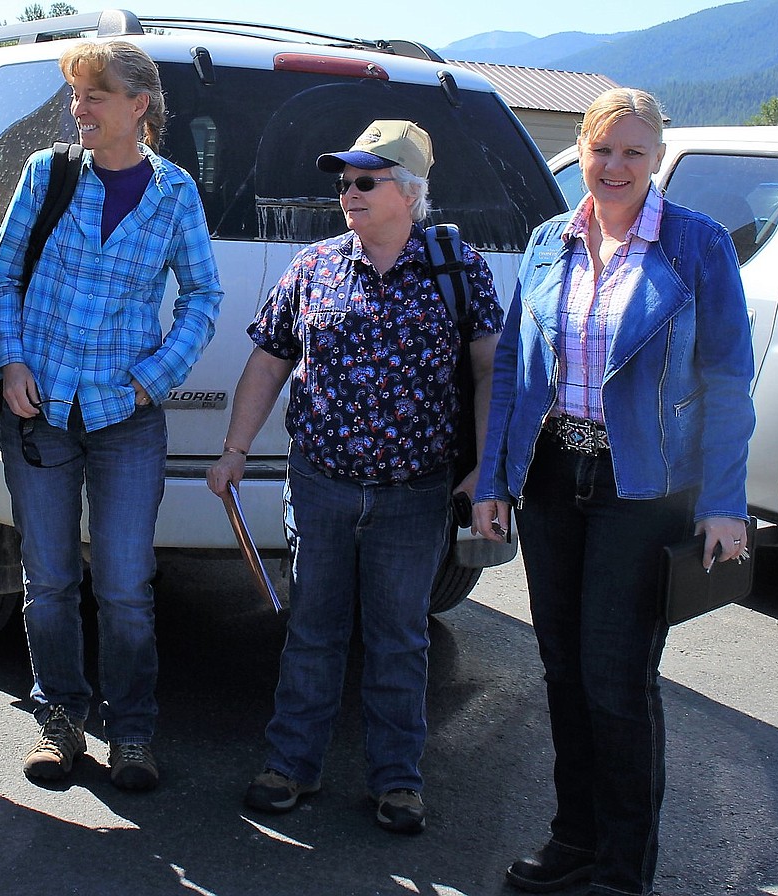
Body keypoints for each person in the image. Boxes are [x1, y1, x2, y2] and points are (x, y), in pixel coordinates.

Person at [472, 88, 755, 895]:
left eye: (634, 151)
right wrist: (496, 478)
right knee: (561, 665)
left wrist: (723, 502)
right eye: (602, 150)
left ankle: (624, 868)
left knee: (616, 675)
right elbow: (518, 378)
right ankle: (575, 838)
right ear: (584, 153)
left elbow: (729, 381)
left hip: (646, 486)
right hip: (556, 477)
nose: (615, 166)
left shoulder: (695, 245)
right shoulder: (547, 241)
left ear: (658, 157)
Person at [207, 120, 503, 833]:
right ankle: (291, 765)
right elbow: (270, 360)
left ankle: (398, 781)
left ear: (409, 190)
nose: (348, 192)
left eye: (365, 180)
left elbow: (492, 369)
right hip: (321, 485)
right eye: (343, 181)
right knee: (313, 629)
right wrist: (235, 449)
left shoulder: (457, 269)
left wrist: (487, 475)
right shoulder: (313, 268)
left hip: (415, 492)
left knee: (400, 637)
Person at [0, 40, 222, 792]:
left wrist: (154, 379)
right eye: (76, 96)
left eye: (94, 95)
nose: (77, 109)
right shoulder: (47, 175)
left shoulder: (176, 193)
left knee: (123, 586)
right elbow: (5, 278)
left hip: (126, 419)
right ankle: (60, 719)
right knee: (49, 581)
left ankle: (133, 733)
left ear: (138, 107)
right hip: (41, 411)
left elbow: (203, 297)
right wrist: (10, 362)